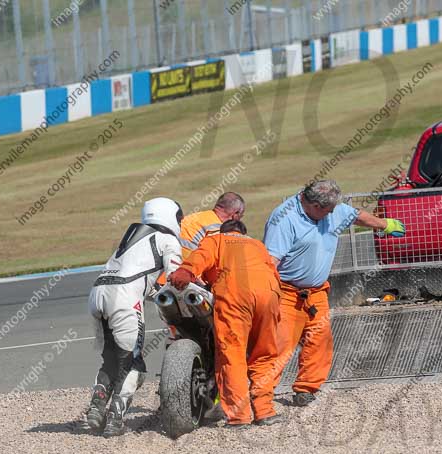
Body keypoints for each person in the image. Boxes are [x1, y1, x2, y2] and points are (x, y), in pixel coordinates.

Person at [263, 180, 405, 407]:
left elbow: (356, 215)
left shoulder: (332, 211)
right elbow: (270, 261)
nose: (333, 215)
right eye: (328, 211)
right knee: (279, 345)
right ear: (315, 206)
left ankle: (306, 389)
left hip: (317, 292)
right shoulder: (284, 219)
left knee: (319, 341)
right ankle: (261, 394)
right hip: (286, 292)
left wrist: (384, 224)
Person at [84, 197, 184, 437]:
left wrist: (157, 294)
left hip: (97, 293)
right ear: (170, 215)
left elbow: (139, 278)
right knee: (134, 364)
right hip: (125, 296)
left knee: (111, 358)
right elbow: (176, 277)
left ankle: (97, 407)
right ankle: (115, 420)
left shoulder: (131, 236)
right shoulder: (168, 239)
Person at [169, 220, 284, 429]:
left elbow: (201, 257)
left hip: (235, 295)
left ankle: (240, 417)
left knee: (232, 356)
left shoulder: (216, 240)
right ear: (243, 233)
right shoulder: (257, 245)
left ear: (224, 232)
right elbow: (274, 273)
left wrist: (185, 271)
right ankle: (265, 411)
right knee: (265, 355)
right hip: (269, 295)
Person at [179, 192, 246, 258]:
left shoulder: (196, 216)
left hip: (171, 256)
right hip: (184, 263)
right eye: (241, 216)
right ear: (235, 214)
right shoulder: (217, 229)